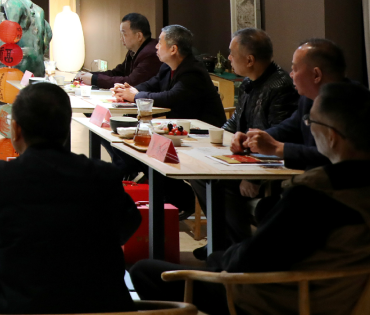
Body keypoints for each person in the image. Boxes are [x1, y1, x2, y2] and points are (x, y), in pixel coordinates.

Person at [131, 82, 370, 315]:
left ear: (332, 136)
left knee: (145, 271)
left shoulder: (315, 195)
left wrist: (217, 259)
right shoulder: (351, 190)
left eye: (311, 122)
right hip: (339, 297)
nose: (308, 128)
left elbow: (253, 258)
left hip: (280, 299)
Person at [0, 82, 140, 314]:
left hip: (17, 308)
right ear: (66, 127)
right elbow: (127, 226)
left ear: (16, 129)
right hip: (99, 307)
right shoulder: (103, 176)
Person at [189, 29, 298, 257]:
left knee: (221, 182)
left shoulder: (280, 86)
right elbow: (236, 121)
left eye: (231, 53)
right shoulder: (250, 81)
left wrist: (253, 177)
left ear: (249, 60)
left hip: (268, 163)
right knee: (198, 173)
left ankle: (239, 249)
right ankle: (220, 240)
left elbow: (279, 137)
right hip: (247, 154)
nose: (228, 58)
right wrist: (213, 137)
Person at [108, 25, 227, 183]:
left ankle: (175, 193)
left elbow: (171, 97)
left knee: (141, 152)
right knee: (119, 142)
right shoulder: (167, 66)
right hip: (179, 132)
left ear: (173, 49)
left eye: (159, 42)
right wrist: (127, 90)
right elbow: (152, 84)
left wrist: (135, 96)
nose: (156, 46)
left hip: (203, 135)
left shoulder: (193, 71)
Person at [233, 39, 348, 171]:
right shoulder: (308, 99)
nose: (291, 75)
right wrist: (252, 139)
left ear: (316, 74)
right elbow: (289, 128)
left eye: (295, 69)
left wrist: (278, 148)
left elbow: (332, 156)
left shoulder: (350, 104)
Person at [78, 13, 161, 88]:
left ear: (139, 36)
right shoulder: (133, 51)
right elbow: (117, 73)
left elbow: (131, 82)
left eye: (124, 34)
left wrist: (94, 79)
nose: (121, 39)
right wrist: (89, 75)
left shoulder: (151, 53)